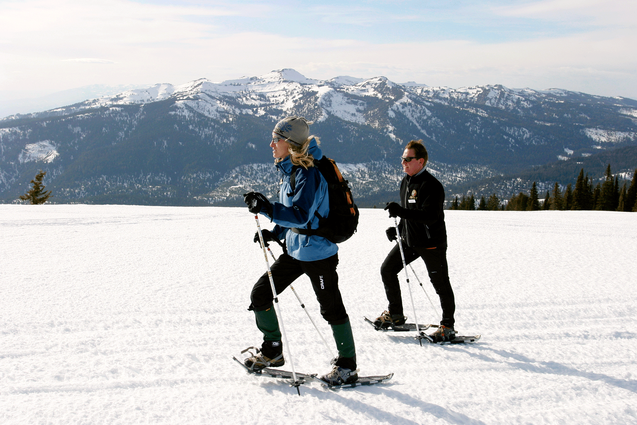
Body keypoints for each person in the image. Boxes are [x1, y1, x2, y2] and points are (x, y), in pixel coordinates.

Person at [242, 116, 358, 385]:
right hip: (295, 251)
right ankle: (272, 352)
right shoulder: (290, 169)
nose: (271, 144)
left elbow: (302, 215)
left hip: (318, 253)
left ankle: (348, 365)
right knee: (261, 294)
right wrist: (276, 232)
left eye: (276, 139)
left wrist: (268, 209)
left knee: (331, 308)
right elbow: (295, 216)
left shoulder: (308, 173)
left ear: (290, 143)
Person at [374, 139, 457, 342]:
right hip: (410, 240)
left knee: (440, 283)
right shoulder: (406, 182)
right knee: (387, 270)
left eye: (407, 159)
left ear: (420, 161)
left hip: (431, 243)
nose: (403, 163)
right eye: (402, 159)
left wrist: (401, 212)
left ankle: (447, 326)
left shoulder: (432, 185)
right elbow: (408, 213)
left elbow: (429, 216)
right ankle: (396, 315)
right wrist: (398, 229)